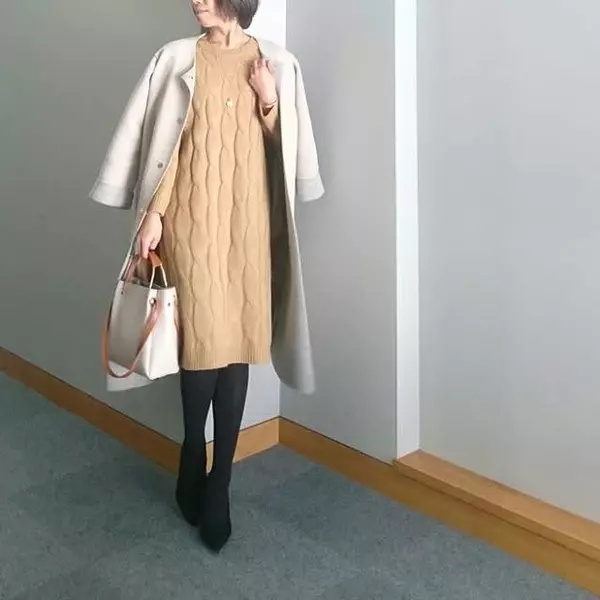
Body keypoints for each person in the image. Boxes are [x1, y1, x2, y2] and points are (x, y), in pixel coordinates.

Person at [90, 0, 323, 553]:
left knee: (237, 344)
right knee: (200, 345)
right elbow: (170, 148)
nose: (196, 0)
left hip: (249, 226)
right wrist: (154, 214)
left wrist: (268, 99)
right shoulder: (178, 58)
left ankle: (220, 482)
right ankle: (193, 448)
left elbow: (284, 152)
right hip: (193, 223)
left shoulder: (276, 64)